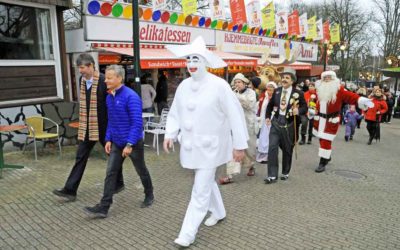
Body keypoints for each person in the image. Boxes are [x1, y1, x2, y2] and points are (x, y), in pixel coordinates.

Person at [163, 37, 248, 248]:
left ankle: (187, 233)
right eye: (188, 59)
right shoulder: (183, 86)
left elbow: (235, 115)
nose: (191, 63)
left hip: (212, 147)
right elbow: (175, 112)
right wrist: (170, 133)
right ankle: (219, 212)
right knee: (206, 182)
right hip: (191, 147)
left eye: (196, 59)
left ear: (205, 62)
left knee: (199, 190)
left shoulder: (219, 86)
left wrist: (240, 145)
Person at [84, 65, 154, 218]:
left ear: (119, 78)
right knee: (111, 173)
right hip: (116, 142)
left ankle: (149, 194)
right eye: (106, 78)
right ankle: (104, 206)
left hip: (133, 143)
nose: (106, 81)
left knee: (141, 170)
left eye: (109, 78)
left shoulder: (131, 97)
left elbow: (137, 123)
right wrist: (108, 139)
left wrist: (129, 144)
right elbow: (111, 121)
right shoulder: (109, 97)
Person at [53, 54, 124, 202]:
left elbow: (113, 104)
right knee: (80, 156)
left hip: (104, 127)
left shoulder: (105, 81)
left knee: (114, 155)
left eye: (83, 68)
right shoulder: (82, 81)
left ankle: (118, 183)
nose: (81, 71)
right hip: (89, 126)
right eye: (79, 68)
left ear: (91, 66)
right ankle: (70, 190)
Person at [312, 71, 374, 173]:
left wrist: (361, 100)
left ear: (334, 79)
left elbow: (350, 96)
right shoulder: (319, 89)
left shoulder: (339, 90)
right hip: (319, 119)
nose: (327, 79)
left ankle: (322, 162)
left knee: (326, 140)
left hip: (331, 120)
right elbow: (313, 100)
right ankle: (327, 156)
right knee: (321, 139)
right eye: (325, 77)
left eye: (329, 77)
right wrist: (311, 108)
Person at [264, 67, 307, 184]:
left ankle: (285, 172)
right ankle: (272, 175)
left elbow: (304, 107)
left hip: (290, 125)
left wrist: (298, 111)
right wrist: (267, 117)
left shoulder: (298, 93)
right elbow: (269, 105)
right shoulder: (277, 91)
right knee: (272, 147)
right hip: (276, 122)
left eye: (287, 78)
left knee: (287, 150)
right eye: (283, 77)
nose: (284, 80)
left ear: (292, 81)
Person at [219, 73, 257, 184]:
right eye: (235, 82)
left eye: (239, 82)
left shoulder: (251, 93)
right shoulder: (232, 93)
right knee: (234, 149)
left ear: (245, 83)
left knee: (249, 150)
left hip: (249, 125)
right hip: (236, 126)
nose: (237, 84)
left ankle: (251, 166)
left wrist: (235, 98)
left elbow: (249, 105)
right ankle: (229, 175)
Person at [256, 81, 277, 163]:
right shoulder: (263, 96)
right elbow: (259, 107)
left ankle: (269, 156)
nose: (270, 89)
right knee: (263, 138)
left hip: (273, 120)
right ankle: (263, 156)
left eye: (272, 87)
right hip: (264, 120)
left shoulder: (276, 97)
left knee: (271, 138)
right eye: (269, 87)